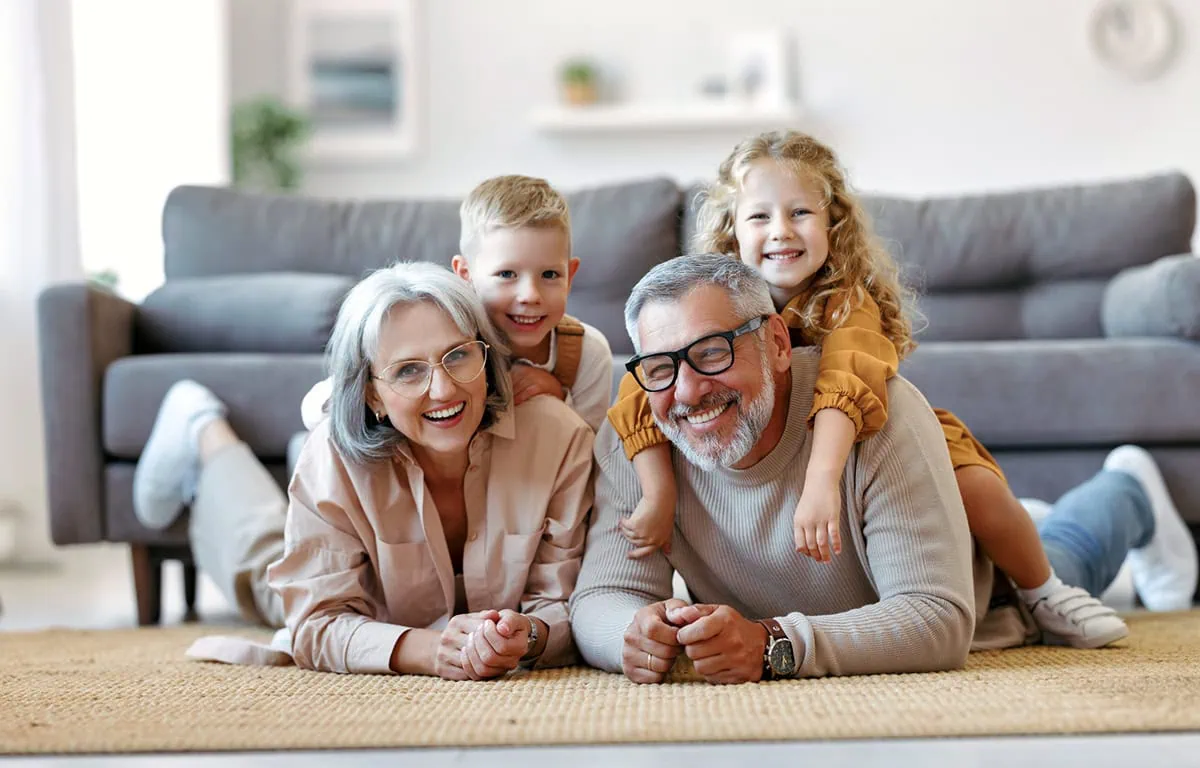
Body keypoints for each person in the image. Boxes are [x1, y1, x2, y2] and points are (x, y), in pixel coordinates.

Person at [569, 254, 1196, 684]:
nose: (687, 391)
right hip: (882, 555)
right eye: (659, 367)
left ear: (779, 345)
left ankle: (1130, 489)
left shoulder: (875, 411)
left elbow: (939, 617)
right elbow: (600, 597)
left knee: (1068, 552)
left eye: (712, 352)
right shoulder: (639, 438)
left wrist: (773, 645)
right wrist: (632, 631)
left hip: (999, 598)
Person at [605, 130, 1125, 648]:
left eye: (800, 214)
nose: (781, 231)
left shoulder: (846, 302)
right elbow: (641, 397)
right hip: (811, 461)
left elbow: (843, 386)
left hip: (870, 441)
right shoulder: (706, 309)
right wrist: (659, 494)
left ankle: (1050, 581)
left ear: (834, 224)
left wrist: (822, 481)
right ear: (731, 232)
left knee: (983, 496)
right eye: (760, 217)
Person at [133, 262, 595, 677]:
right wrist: (431, 650)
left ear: (487, 358)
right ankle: (203, 429)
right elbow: (315, 623)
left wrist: (528, 635)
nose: (442, 390)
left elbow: (566, 606)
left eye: (458, 356)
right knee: (264, 575)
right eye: (408, 371)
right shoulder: (332, 454)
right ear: (372, 394)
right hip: (346, 491)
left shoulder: (557, 439)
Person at [302, 175, 613, 434]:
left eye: (549, 274)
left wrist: (560, 398)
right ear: (465, 274)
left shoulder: (586, 352)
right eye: (507, 274)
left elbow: (594, 459)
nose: (530, 294)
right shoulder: (444, 339)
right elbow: (315, 409)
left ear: (570, 276)